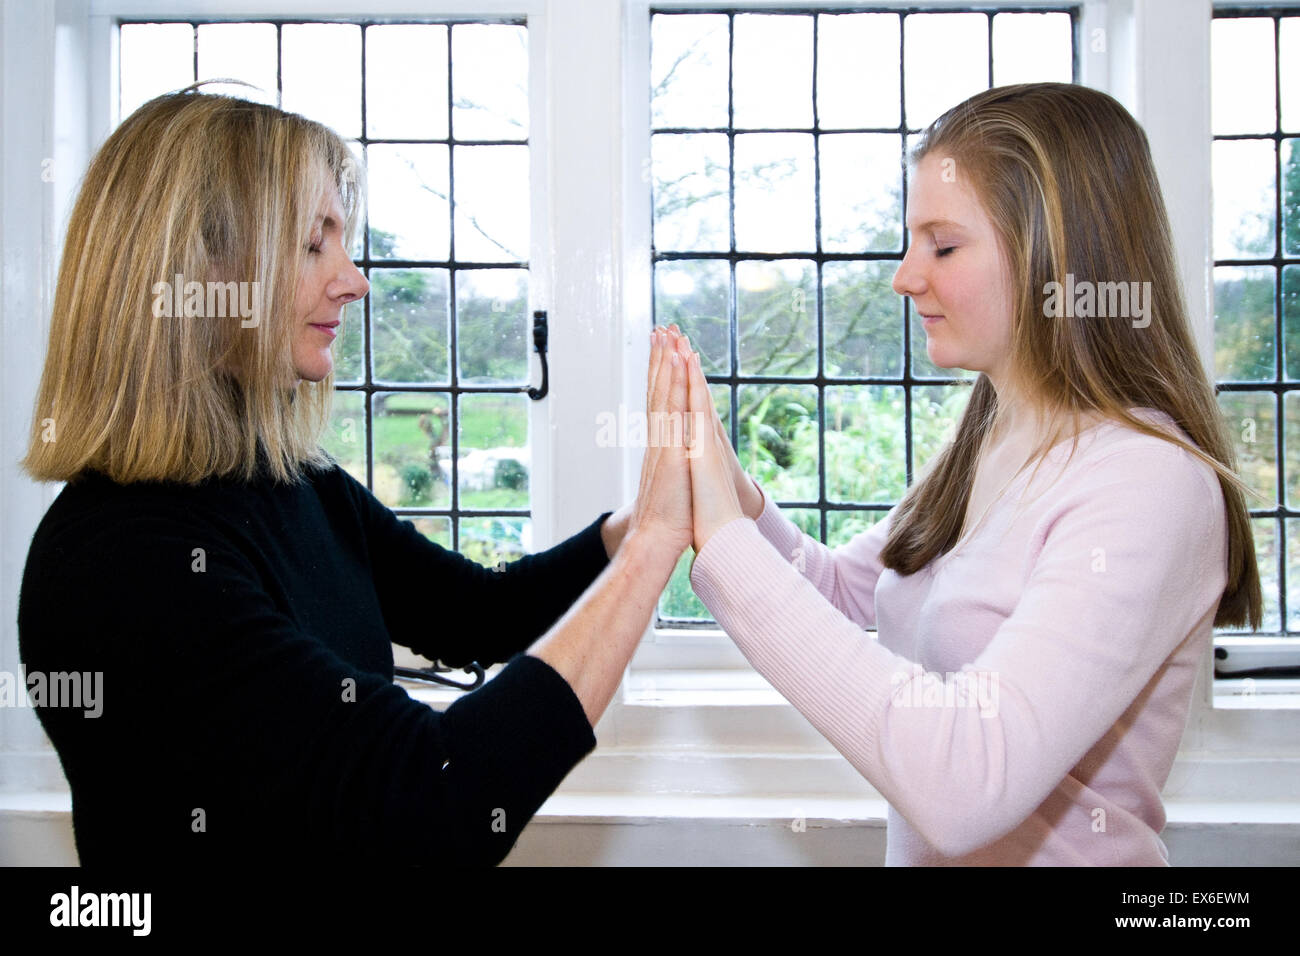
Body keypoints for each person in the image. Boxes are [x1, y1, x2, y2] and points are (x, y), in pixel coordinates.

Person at [16, 88, 694, 866]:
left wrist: (634, 527)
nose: (355, 280)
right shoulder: (122, 564)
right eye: (314, 245)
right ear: (200, 270)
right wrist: (654, 552)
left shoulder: (290, 480)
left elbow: (476, 611)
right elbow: (433, 804)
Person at [676, 82, 1262, 865]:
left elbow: (967, 784)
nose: (905, 277)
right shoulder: (991, 435)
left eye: (943, 246)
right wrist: (737, 501)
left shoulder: (1150, 485)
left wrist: (724, 542)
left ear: (1057, 256)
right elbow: (848, 592)